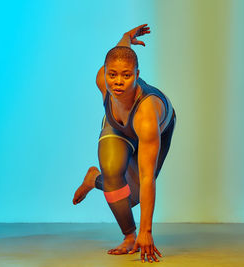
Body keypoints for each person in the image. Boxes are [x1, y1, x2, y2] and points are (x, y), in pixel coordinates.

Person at [72, 24, 176, 263]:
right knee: (113, 178)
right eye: (113, 74)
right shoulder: (103, 81)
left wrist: (147, 232)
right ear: (105, 72)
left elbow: (147, 176)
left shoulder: (147, 115)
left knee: (131, 197)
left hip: (153, 126)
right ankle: (128, 237)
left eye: (126, 75)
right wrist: (127, 37)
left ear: (137, 75)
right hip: (117, 124)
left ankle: (93, 180)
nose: (118, 82)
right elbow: (120, 50)